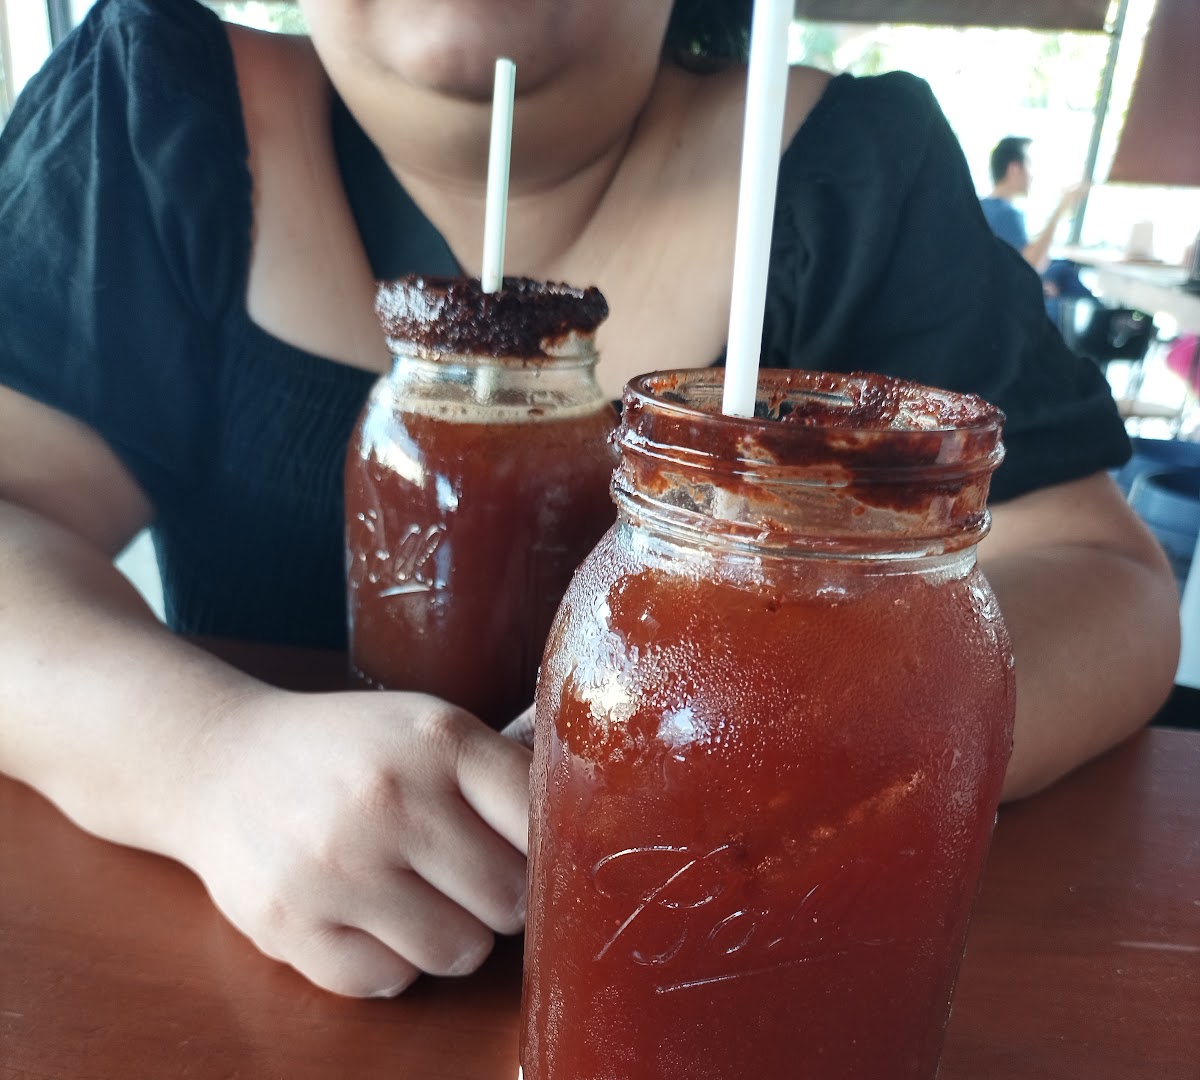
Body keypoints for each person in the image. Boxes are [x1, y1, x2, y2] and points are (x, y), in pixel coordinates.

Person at [0, 0, 1180, 998]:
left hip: (729, 974)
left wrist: (778, 734)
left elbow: (1105, 577)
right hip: (251, 1002)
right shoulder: (151, 111)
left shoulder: (848, 175)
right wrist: (201, 756)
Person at [982, 134, 1088, 272]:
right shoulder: (1007, 214)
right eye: (1029, 164)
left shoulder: (982, 206)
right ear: (1014, 169)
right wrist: (1060, 210)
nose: (1032, 175)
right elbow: (1031, 265)